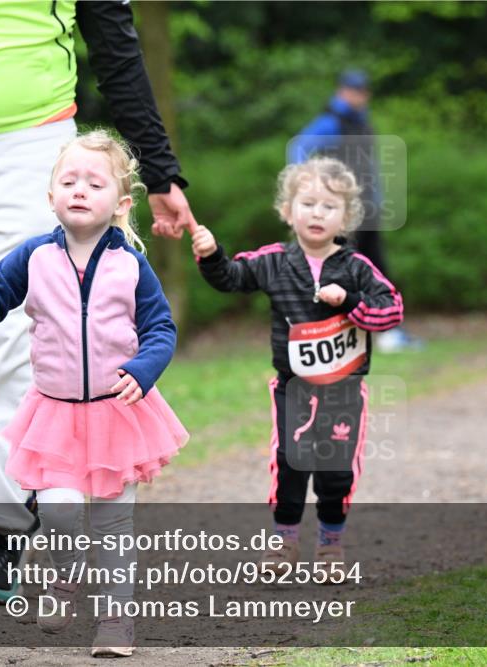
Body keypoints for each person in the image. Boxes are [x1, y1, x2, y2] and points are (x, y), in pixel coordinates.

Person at [0, 0, 198, 601]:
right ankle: (19, 493)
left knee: (15, 336)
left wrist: (162, 172)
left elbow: (115, 48)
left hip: (29, 142)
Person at [0, 130, 188, 657]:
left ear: (118, 204)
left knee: (115, 523)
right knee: (58, 513)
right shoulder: (34, 256)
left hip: (119, 412)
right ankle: (67, 577)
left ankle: (117, 621)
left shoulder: (131, 266)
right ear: (50, 195)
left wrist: (143, 369)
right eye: (68, 180)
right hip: (56, 417)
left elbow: (161, 329)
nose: (79, 189)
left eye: (93, 183)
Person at [190, 157, 403, 580]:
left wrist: (351, 303)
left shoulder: (357, 268)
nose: (317, 213)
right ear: (288, 211)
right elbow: (232, 277)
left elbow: (391, 311)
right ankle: (283, 544)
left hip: (343, 388)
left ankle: (330, 542)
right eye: (308, 203)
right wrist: (212, 255)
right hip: (293, 387)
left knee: (336, 469)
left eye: (329, 206)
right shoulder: (274, 261)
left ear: (346, 217)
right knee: (290, 461)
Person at [289, 68, 421, 353]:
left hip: (367, 208)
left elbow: (369, 165)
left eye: (362, 90)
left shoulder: (361, 121)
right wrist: (310, 190)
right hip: (344, 213)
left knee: (376, 270)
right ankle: (337, 336)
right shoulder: (331, 122)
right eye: (353, 90)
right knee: (340, 273)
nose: (359, 95)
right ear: (342, 91)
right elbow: (299, 149)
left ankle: (385, 331)